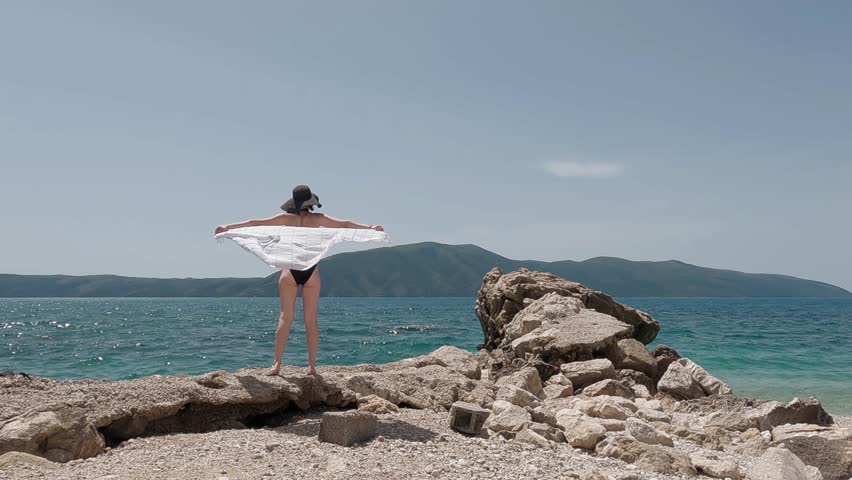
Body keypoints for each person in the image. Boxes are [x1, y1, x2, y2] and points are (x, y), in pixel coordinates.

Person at [214, 185, 384, 375]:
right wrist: (370, 228)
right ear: (310, 202)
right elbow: (345, 224)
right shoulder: (318, 219)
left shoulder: (286, 219)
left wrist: (228, 227)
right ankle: (311, 367)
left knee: (285, 318)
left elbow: (255, 223)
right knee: (311, 321)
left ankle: (277, 365)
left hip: (290, 271)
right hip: (311, 272)